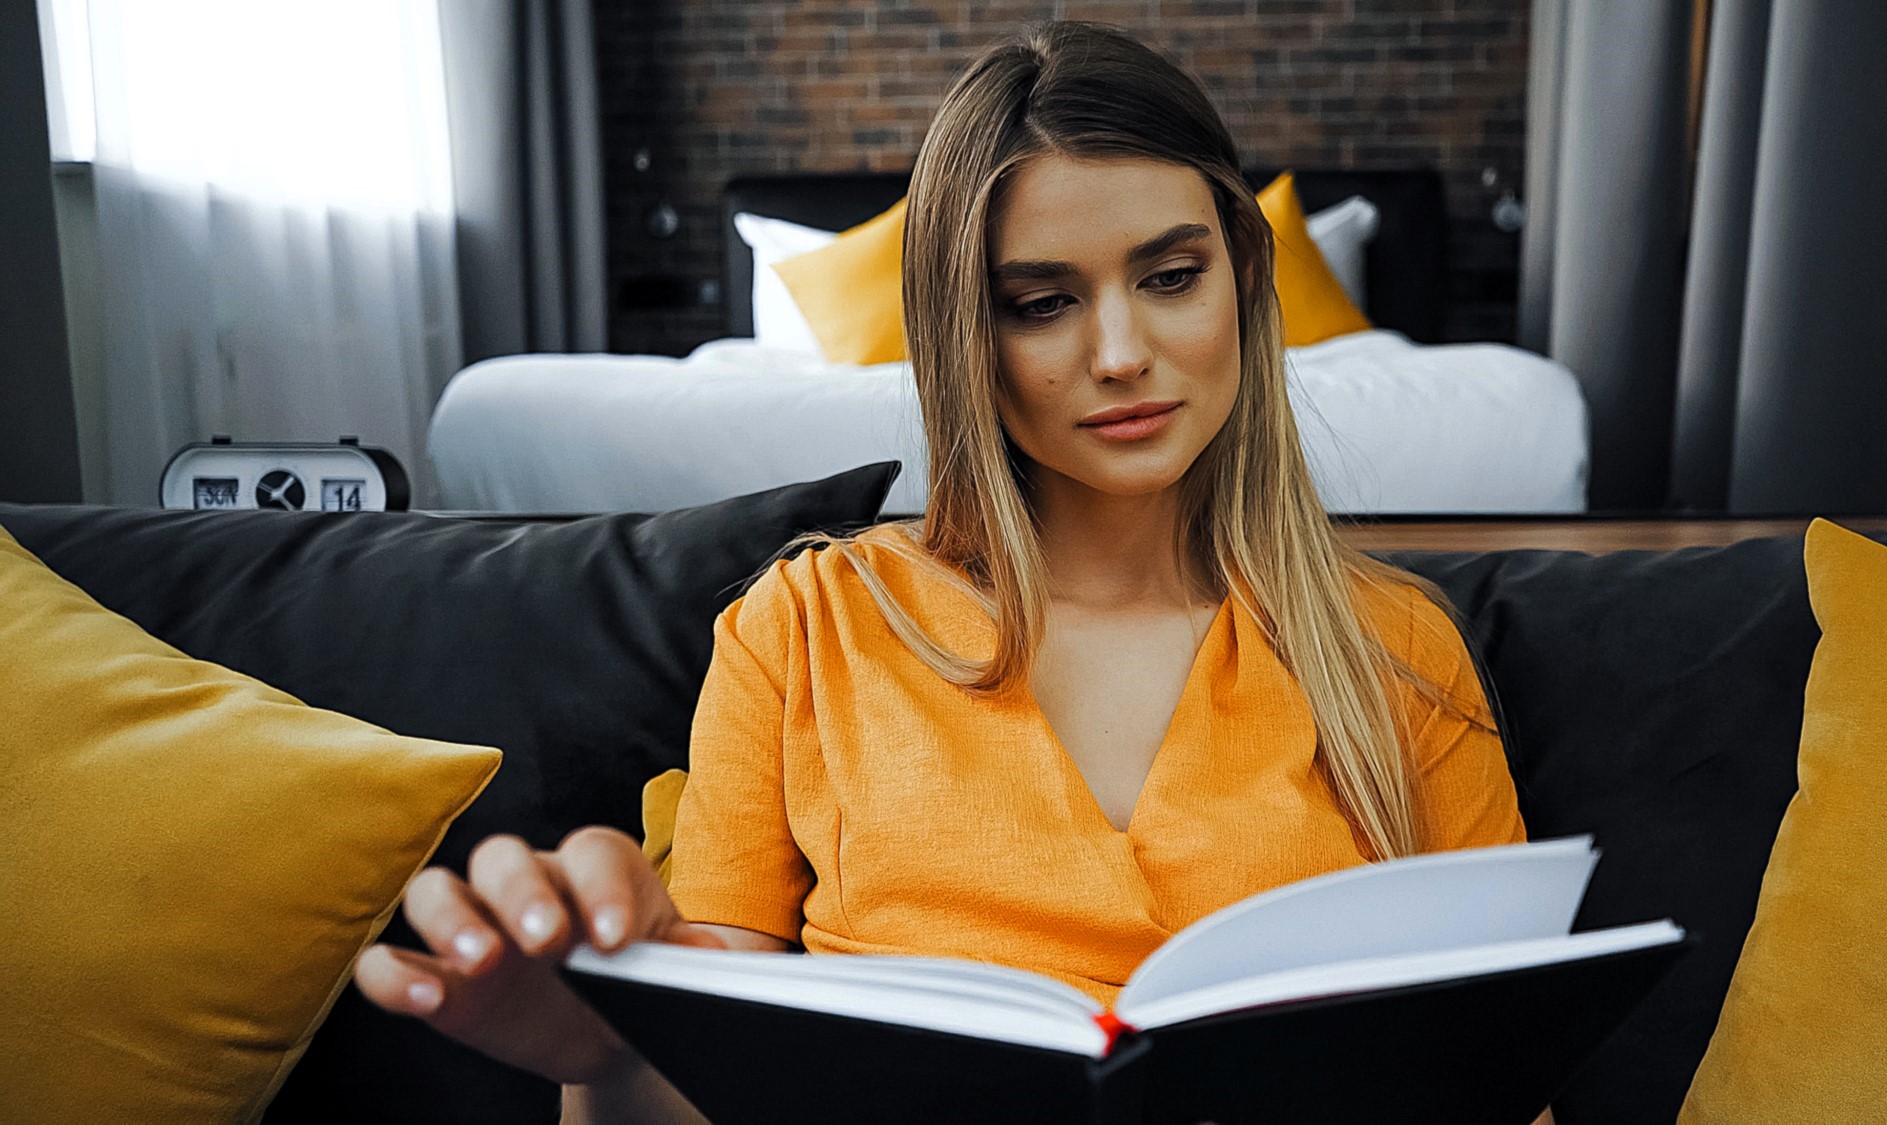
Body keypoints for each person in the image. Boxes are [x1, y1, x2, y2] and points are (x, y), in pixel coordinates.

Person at [356, 20, 1550, 1124]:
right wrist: (608, 1047)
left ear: (1243, 274)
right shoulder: (808, 627)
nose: (1122, 354)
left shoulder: (1389, 645)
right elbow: (701, 1085)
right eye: (1039, 303)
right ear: (959, 337)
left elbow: (1504, 1082)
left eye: (1171, 277)